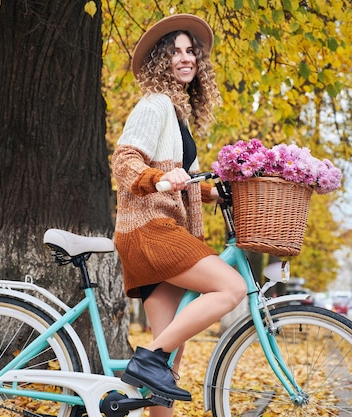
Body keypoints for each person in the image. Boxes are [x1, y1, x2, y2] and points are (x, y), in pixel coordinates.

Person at [111, 13, 247, 413]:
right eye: (175, 52)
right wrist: (157, 180)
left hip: (157, 231)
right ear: (160, 61)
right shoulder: (154, 105)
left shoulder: (176, 115)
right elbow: (125, 160)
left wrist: (211, 193)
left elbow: (180, 179)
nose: (185, 58)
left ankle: (151, 363)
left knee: (166, 371)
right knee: (231, 287)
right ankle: (146, 359)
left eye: (191, 51)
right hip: (150, 231)